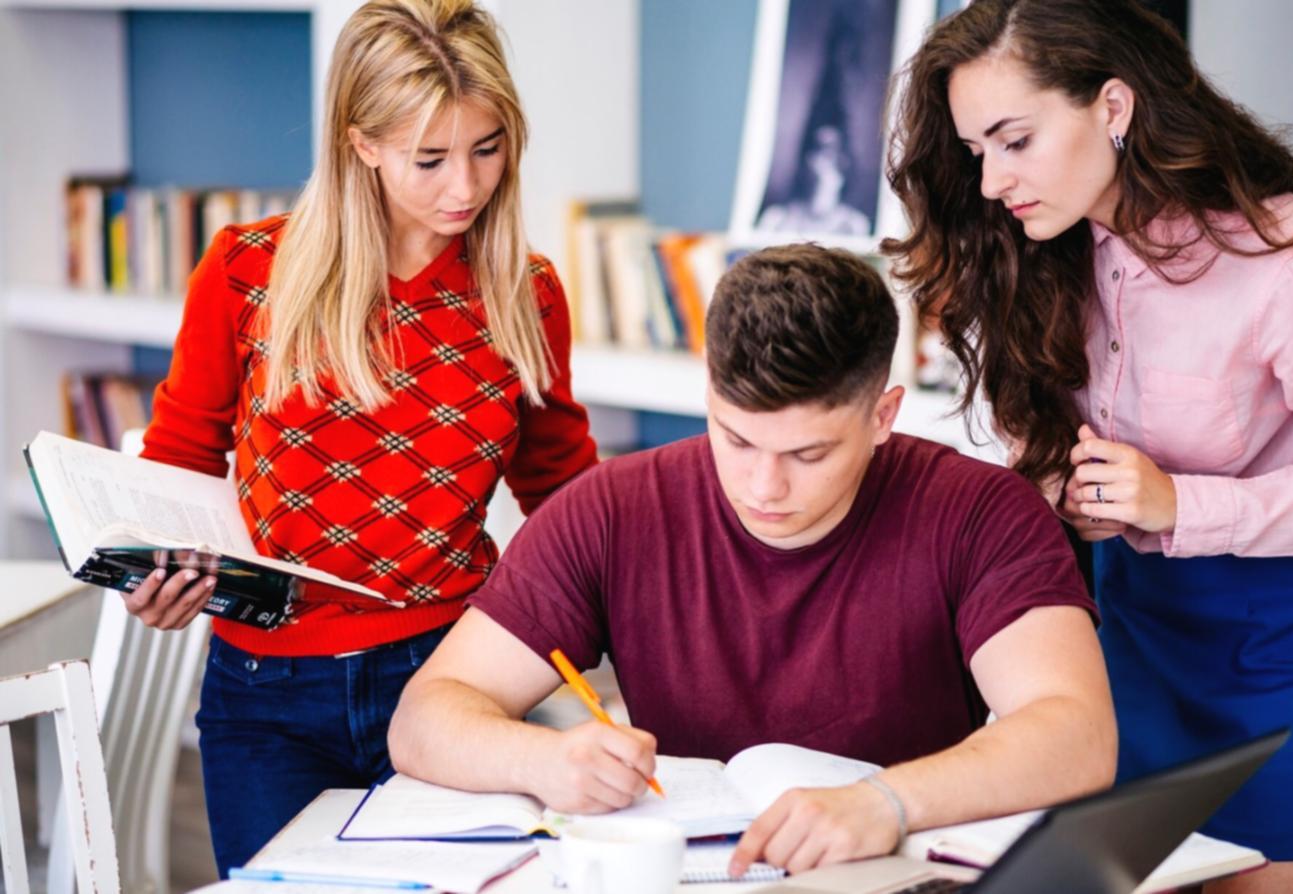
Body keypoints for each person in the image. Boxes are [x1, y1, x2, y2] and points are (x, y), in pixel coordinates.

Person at [883, 2, 1293, 892]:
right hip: (1136, 637)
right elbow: (1053, 441)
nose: (989, 182)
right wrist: (1064, 484)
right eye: (976, 150)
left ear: (1112, 106)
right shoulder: (1045, 253)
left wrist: (1177, 502)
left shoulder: (1291, 268)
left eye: (1013, 140)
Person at [389, 243, 1116, 877]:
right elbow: (425, 719)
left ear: (883, 415)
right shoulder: (609, 509)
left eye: (808, 453)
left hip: (889, 871)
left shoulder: (980, 512)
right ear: (708, 396)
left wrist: (888, 802)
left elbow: (1075, 734)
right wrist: (542, 762)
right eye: (736, 441)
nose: (763, 488)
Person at [123, 0, 597, 873]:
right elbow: (180, 460)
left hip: (453, 682)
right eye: (430, 158)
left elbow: (566, 496)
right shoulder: (246, 270)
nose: (465, 186)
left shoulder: (524, 293)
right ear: (360, 143)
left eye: (487, 148)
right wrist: (157, 573)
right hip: (264, 693)